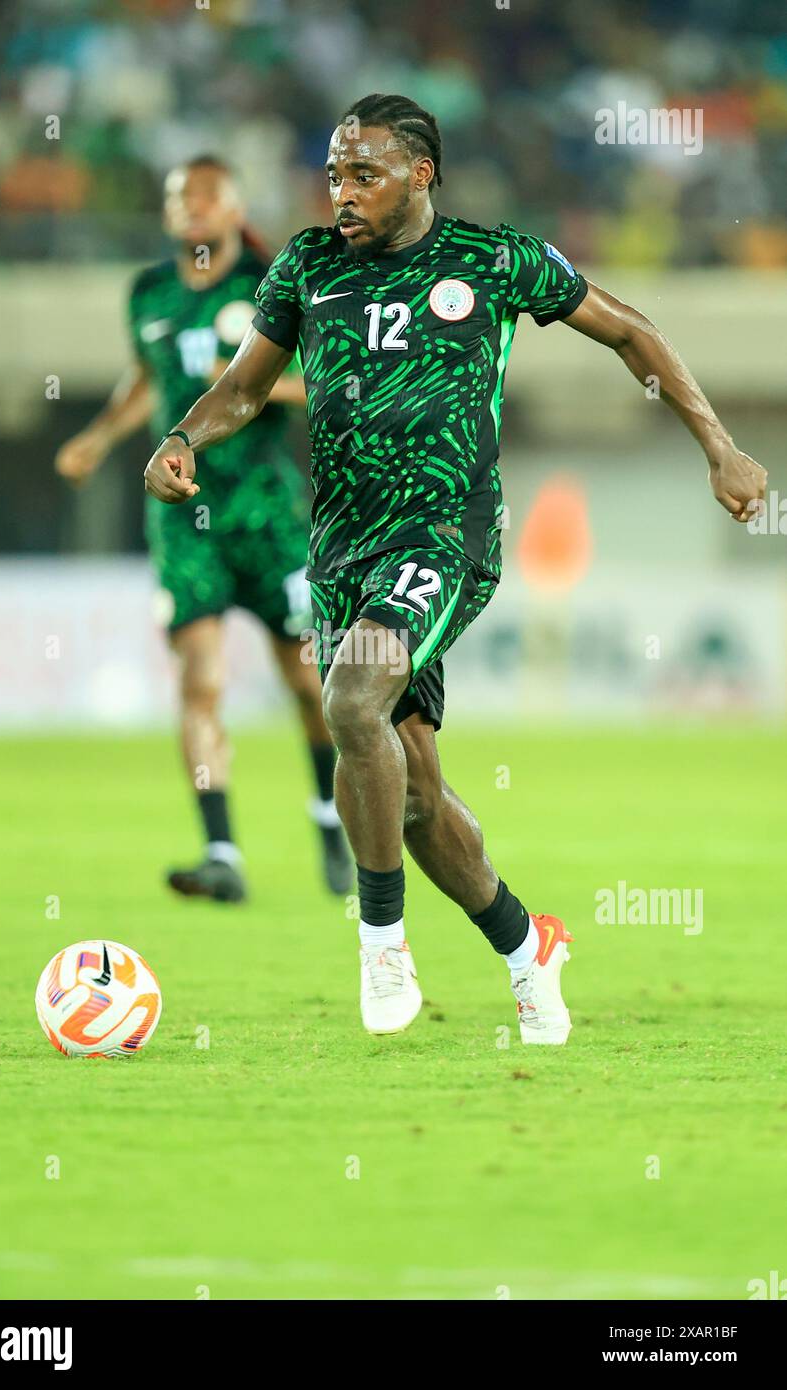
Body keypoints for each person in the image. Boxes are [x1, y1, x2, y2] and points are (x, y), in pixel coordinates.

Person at [143, 96, 766, 1039]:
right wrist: (183, 435)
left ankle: (381, 942)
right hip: (343, 546)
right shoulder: (309, 268)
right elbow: (244, 386)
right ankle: (527, 948)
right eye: (334, 174)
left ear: (420, 173)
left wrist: (719, 447)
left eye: (365, 175)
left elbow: (632, 331)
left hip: (447, 533)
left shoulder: (493, 259)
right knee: (416, 788)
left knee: (352, 702)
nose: (341, 193)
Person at [55, 156, 352, 903]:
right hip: (185, 525)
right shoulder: (149, 292)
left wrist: (244, 381)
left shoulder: (271, 284)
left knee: (310, 682)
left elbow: (330, 379)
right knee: (201, 681)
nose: (190, 208)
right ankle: (222, 852)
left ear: (233, 209)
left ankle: (328, 818)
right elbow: (147, 380)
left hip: (267, 516)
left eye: (205, 196)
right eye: (178, 197)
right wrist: (99, 436)